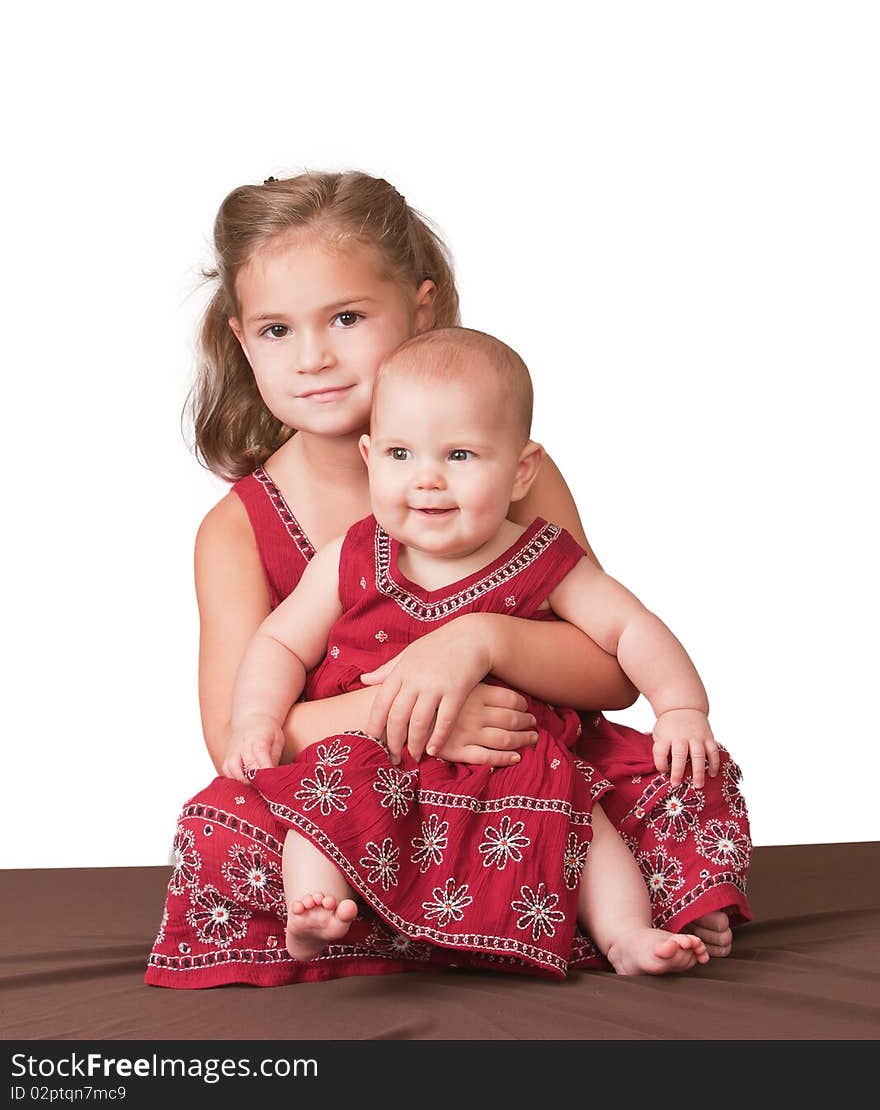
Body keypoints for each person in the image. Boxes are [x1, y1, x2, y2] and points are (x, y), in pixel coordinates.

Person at [145, 171, 751, 989]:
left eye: (348, 318)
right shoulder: (238, 528)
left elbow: (612, 673)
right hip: (358, 793)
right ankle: (422, 917)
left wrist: (480, 640)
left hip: (527, 767)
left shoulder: (510, 476)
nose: (314, 356)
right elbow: (238, 742)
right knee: (222, 829)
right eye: (277, 330)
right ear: (241, 340)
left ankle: (602, 914)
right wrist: (415, 716)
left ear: (421, 309)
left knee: (682, 778)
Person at [224, 328, 716, 977]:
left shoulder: (544, 556)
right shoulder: (352, 555)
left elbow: (629, 630)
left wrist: (681, 706)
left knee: (581, 822)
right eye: (401, 453)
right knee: (321, 797)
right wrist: (256, 717)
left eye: (459, 455)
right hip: (380, 756)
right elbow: (281, 641)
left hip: (511, 758)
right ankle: (315, 909)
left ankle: (625, 932)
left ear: (520, 471)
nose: (426, 479)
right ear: (370, 458)